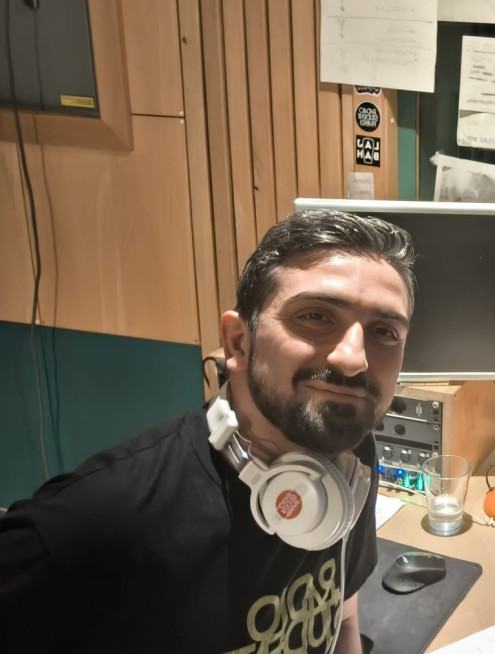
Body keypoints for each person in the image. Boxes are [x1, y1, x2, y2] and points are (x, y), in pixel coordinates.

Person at [0, 209, 416, 654]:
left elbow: (343, 617)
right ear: (238, 341)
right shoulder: (89, 521)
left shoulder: (351, 457)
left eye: (385, 331)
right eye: (315, 315)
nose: (353, 359)